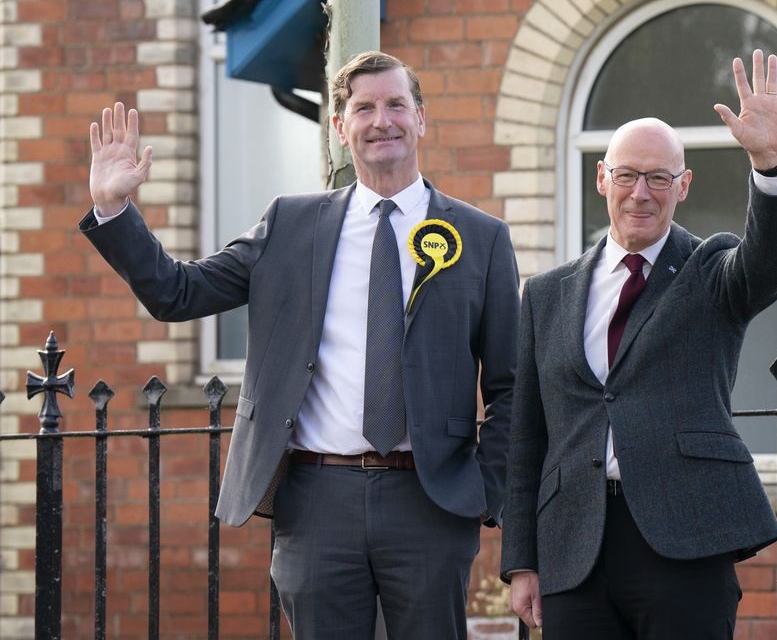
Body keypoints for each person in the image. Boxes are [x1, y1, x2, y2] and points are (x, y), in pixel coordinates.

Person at [81, 51, 519, 640]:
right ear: (340, 127)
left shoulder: (481, 237)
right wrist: (114, 207)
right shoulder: (290, 224)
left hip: (430, 503)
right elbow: (177, 293)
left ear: (420, 119)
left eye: (395, 105)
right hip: (317, 502)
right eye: (363, 108)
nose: (381, 120)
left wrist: (483, 490)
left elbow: (510, 386)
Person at [500, 49, 777, 639]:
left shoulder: (712, 271)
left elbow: (772, 261)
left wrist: (769, 162)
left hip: (683, 540)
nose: (641, 192)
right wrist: (522, 560)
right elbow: (527, 434)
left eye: (659, 178)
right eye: (627, 175)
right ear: (602, 179)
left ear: (683, 186)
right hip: (574, 547)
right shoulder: (546, 294)